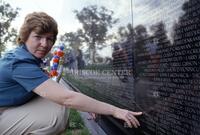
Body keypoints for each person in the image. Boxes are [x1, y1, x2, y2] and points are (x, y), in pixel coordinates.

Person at [0, 12, 142, 135]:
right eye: (38, 37)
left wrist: (92, 106)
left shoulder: (26, 56)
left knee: (56, 102)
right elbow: (67, 98)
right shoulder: (19, 63)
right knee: (56, 113)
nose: (44, 44)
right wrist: (114, 110)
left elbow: (51, 91)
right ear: (25, 37)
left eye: (49, 38)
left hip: (9, 109)